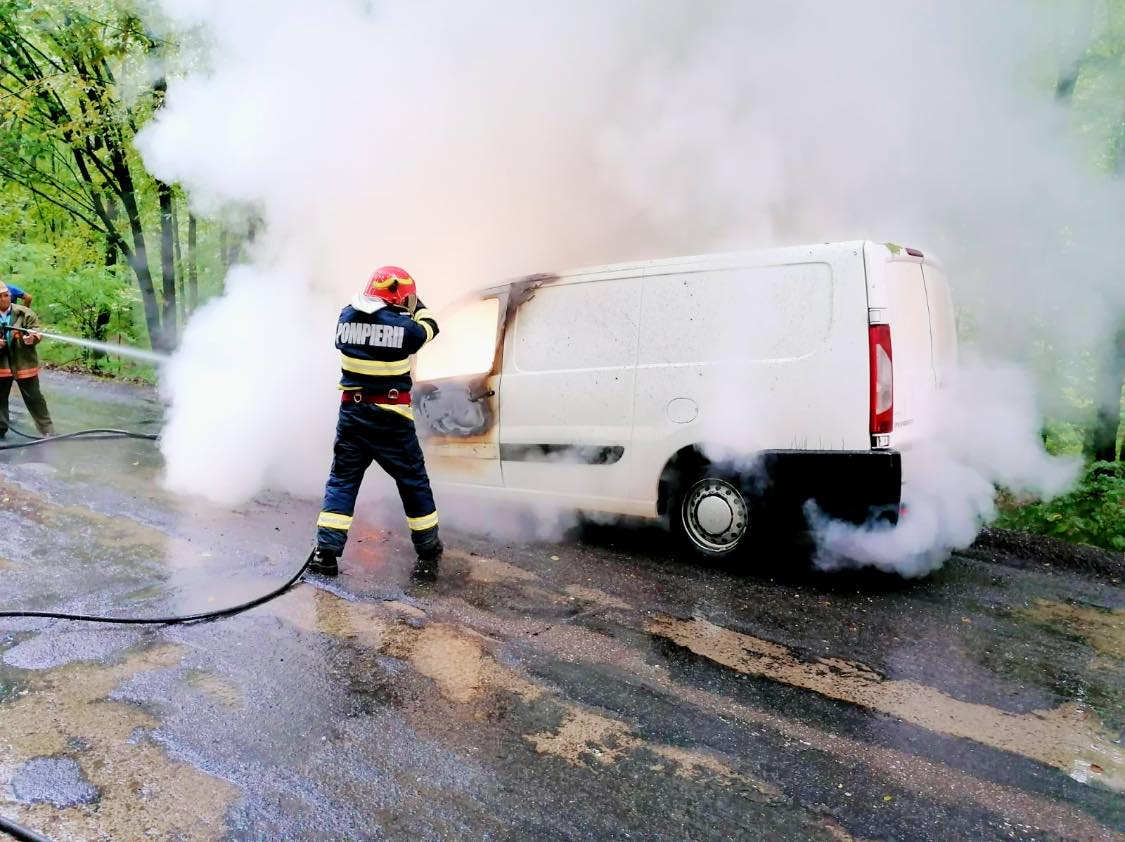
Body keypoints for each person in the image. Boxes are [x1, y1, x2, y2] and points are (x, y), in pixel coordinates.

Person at [308, 266, 443, 578]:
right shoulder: (405, 328)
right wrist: (418, 306)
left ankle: (325, 554)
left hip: (352, 416)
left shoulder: (345, 317)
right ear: (398, 296)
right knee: (412, 481)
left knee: (342, 481)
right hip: (391, 418)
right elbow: (431, 328)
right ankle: (428, 548)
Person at [0, 282, 53, 438]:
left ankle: (48, 431)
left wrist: (32, 338)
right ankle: (0, 430)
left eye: (6, 295)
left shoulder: (25, 313)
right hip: (1, 366)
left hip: (24, 364)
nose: (4, 299)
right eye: (0, 296)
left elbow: (36, 331)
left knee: (35, 398)